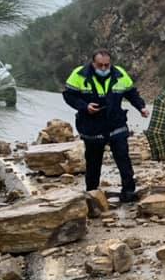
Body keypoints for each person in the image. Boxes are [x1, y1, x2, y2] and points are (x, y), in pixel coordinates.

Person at [63, 49, 149, 202]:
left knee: (123, 157)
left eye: (106, 65)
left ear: (111, 63)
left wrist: (141, 107)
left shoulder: (120, 74)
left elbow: (131, 93)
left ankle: (128, 192)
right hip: (91, 125)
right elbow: (69, 95)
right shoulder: (79, 74)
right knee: (93, 161)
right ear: (93, 63)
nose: (103, 69)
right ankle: (92, 193)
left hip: (116, 122)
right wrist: (85, 106)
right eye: (100, 65)